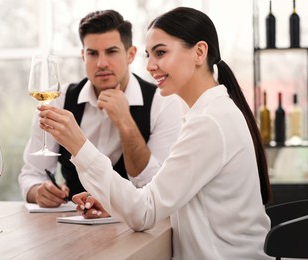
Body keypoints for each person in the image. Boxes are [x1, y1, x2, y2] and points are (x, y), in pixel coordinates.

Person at [38, 7, 272, 259]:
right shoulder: (213, 112)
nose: (149, 66)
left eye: (160, 53)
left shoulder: (209, 122)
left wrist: (79, 145)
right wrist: (114, 206)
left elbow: (144, 213)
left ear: (199, 52)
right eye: (149, 55)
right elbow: (165, 199)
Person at [18, 10, 183, 208]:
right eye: (93, 53)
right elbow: (31, 174)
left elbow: (154, 187)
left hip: (134, 225)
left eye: (111, 52)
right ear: (83, 56)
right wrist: (37, 192)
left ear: (130, 54)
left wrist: (125, 122)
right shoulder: (59, 101)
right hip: (72, 222)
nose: (101, 63)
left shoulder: (163, 103)